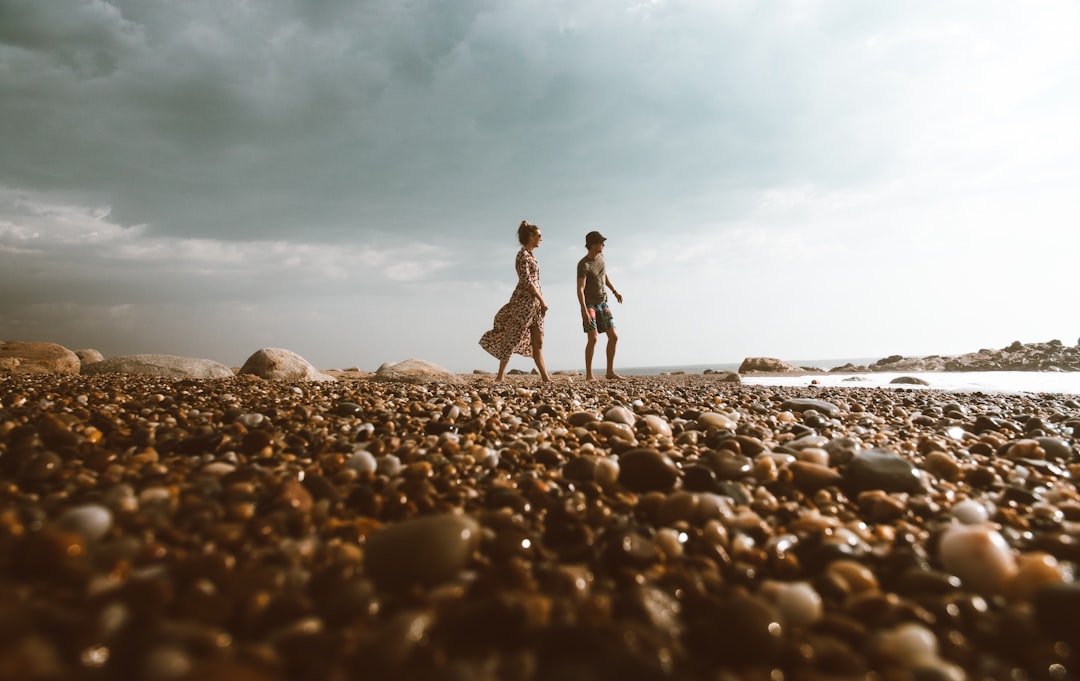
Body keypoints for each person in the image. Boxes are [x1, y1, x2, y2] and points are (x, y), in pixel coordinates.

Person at [479, 220, 551, 382]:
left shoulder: (531, 256)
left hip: (536, 305)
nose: (542, 239)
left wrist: (540, 303)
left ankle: (545, 377)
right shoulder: (522, 255)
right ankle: (500, 376)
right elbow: (527, 281)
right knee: (513, 338)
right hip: (523, 304)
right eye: (539, 235)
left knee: (538, 341)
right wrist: (542, 300)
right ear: (531, 237)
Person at [577, 230, 623, 380]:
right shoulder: (583, 264)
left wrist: (615, 291)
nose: (603, 245)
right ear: (592, 245)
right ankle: (589, 374)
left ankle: (610, 371)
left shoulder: (601, 258)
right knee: (593, 338)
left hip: (603, 303)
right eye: (601, 242)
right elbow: (580, 288)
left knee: (614, 337)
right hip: (589, 304)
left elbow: (604, 275)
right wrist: (583, 310)